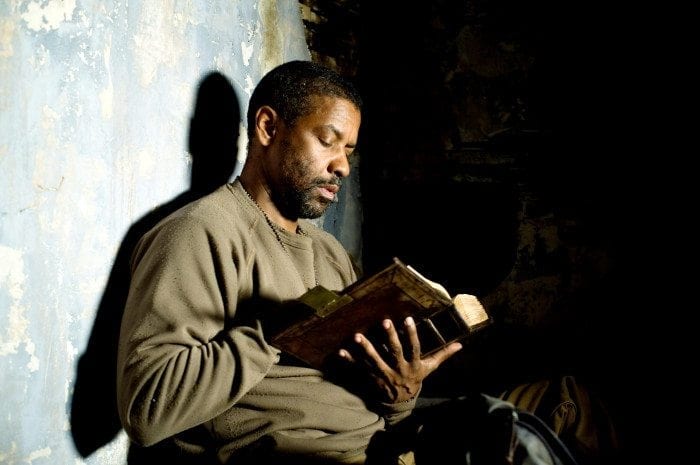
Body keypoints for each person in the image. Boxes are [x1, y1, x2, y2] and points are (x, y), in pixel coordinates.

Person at [116, 60, 464, 465]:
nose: (343, 166)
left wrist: (401, 394)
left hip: (384, 448)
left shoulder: (330, 252)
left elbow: (369, 396)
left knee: (543, 406)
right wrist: (275, 330)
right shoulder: (199, 233)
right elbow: (146, 411)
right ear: (268, 128)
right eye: (327, 141)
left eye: (348, 150)